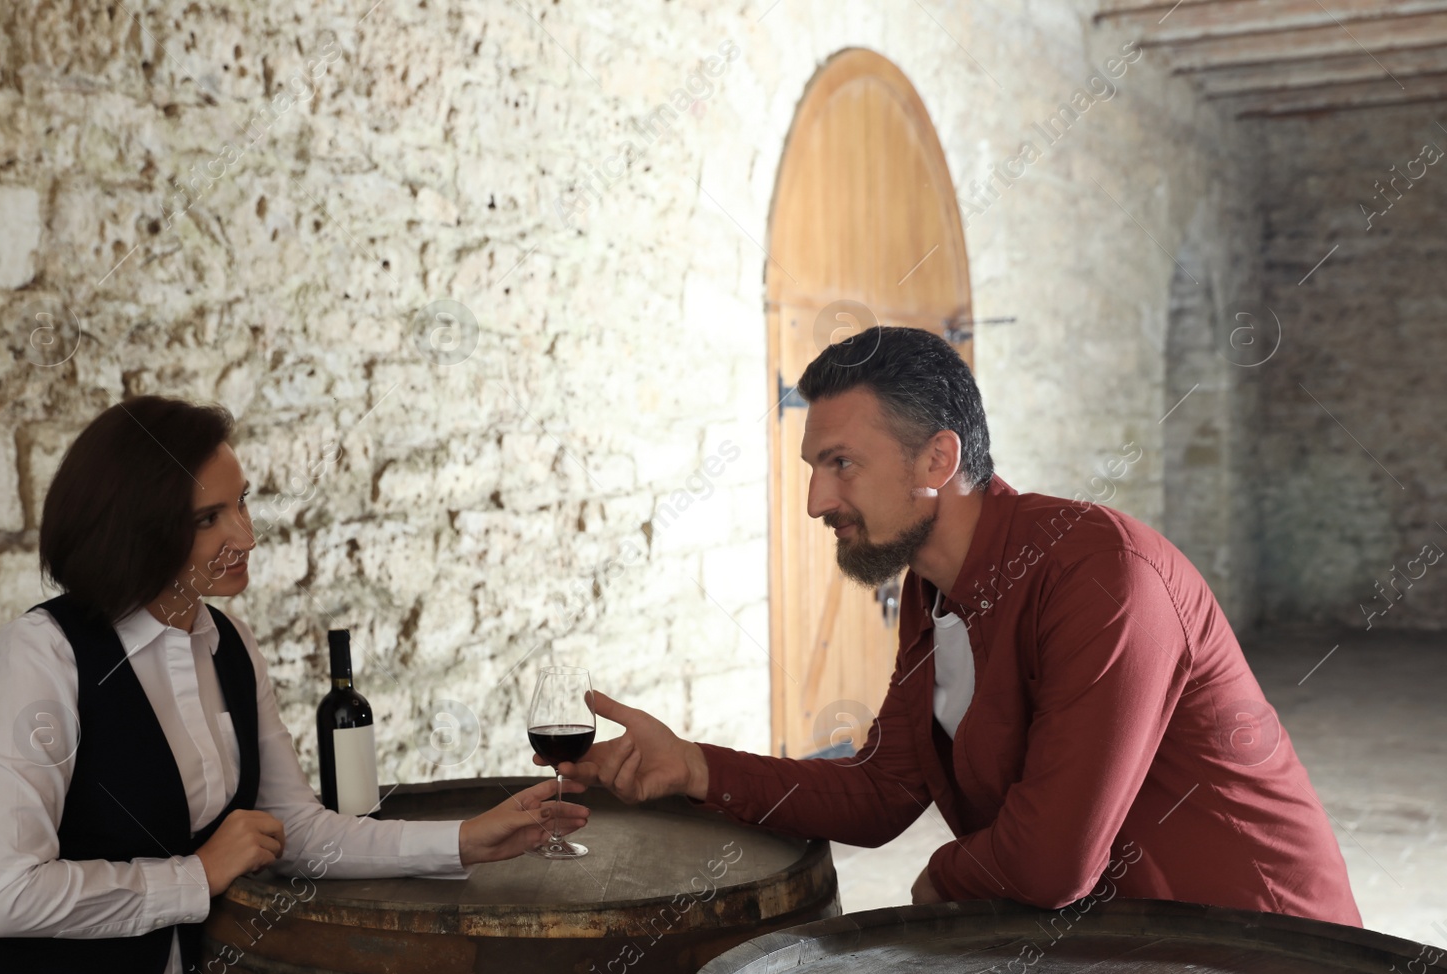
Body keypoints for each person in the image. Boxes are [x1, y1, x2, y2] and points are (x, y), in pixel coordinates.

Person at [542, 326, 1360, 926]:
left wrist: (941, 875)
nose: (815, 502)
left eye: (841, 464)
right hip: (1122, 957)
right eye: (814, 468)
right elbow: (882, 791)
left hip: (1263, 961)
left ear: (938, 460)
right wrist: (693, 766)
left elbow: (1050, 864)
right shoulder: (933, 595)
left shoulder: (1101, 573)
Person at [0, 396, 587, 974]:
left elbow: (294, 828)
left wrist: (463, 838)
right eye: (209, 518)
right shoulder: (43, 651)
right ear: (136, 529)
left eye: (243, 502)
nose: (247, 535)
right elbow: (4, 894)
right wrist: (196, 874)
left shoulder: (228, 643)